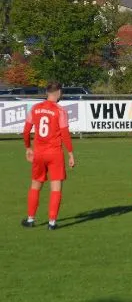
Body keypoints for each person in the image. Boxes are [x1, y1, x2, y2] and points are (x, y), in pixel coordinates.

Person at [21, 82, 76, 230]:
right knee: (56, 188)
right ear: (58, 93)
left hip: (39, 153)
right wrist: (70, 153)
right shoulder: (60, 110)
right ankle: (52, 223)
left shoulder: (35, 108)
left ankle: (30, 219)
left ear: (47, 92)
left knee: (35, 185)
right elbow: (65, 134)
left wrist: (28, 148)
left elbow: (26, 131)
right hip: (54, 153)